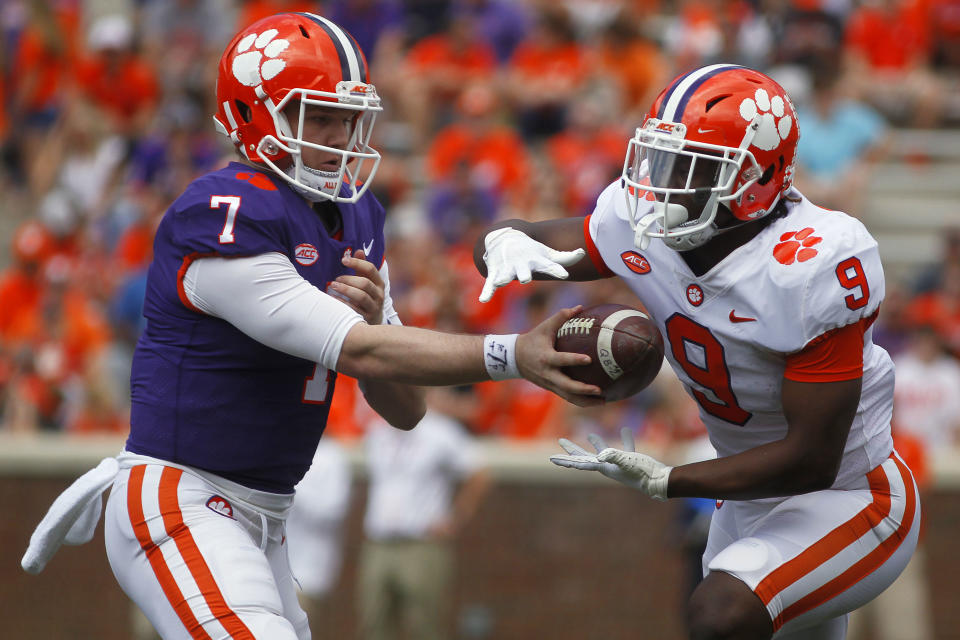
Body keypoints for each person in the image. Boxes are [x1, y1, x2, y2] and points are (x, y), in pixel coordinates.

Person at [20, 12, 602, 640]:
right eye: (318, 116)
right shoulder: (224, 213)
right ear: (253, 114)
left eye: (348, 118)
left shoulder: (354, 217)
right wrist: (513, 353)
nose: (340, 136)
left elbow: (405, 409)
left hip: (267, 515)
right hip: (181, 499)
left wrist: (378, 313)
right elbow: (361, 352)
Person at [474, 64, 920, 640]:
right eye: (661, 159)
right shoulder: (643, 225)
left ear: (757, 179)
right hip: (746, 498)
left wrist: (671, 479)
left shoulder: (812, 263)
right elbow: (530, 237)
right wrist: (500, 241)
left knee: (718, 616)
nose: (664, 184)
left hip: (850, 496)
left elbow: (813, 458)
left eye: (691, 167)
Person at [357, 391, 491, 640]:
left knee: (425, 625)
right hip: (379, 542)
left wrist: (455, 519)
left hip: (421, 543)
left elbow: (479, 473)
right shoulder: (377, 433)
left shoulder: (440, 431)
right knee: (373, 625)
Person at [286, 437, 354, 640]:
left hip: (309, 573)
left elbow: (333, 511)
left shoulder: (332, 457)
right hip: (274, 569)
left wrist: (293, 490)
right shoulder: (282, 448)